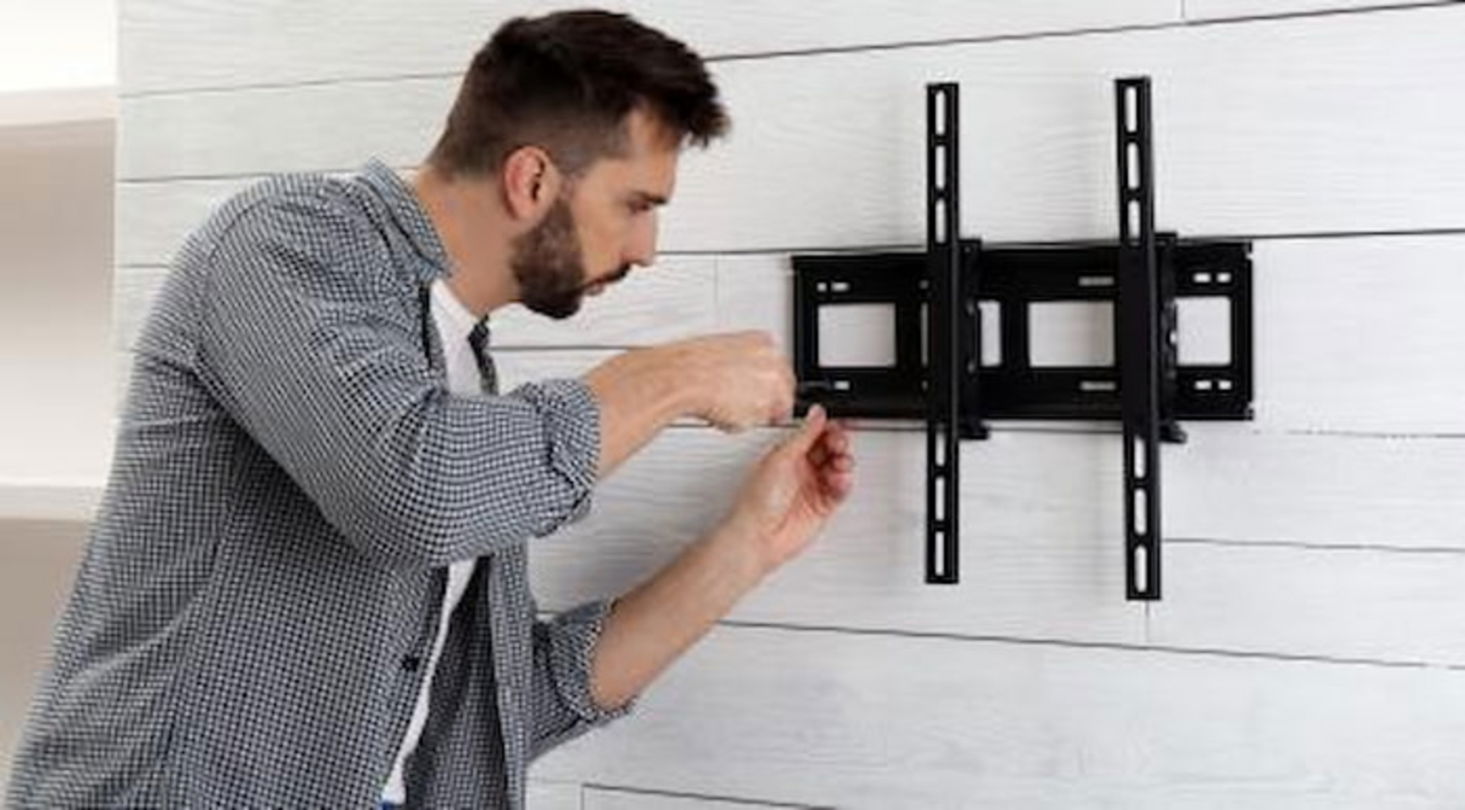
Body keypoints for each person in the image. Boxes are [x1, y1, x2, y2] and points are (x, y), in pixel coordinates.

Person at [3, 9, 855, 810]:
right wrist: (669, 377)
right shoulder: (283, 244)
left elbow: (500, 710)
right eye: (635, 206)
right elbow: (415, 490)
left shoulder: (463, 377)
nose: (646, 249)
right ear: (531, 179)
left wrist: (749, 544)